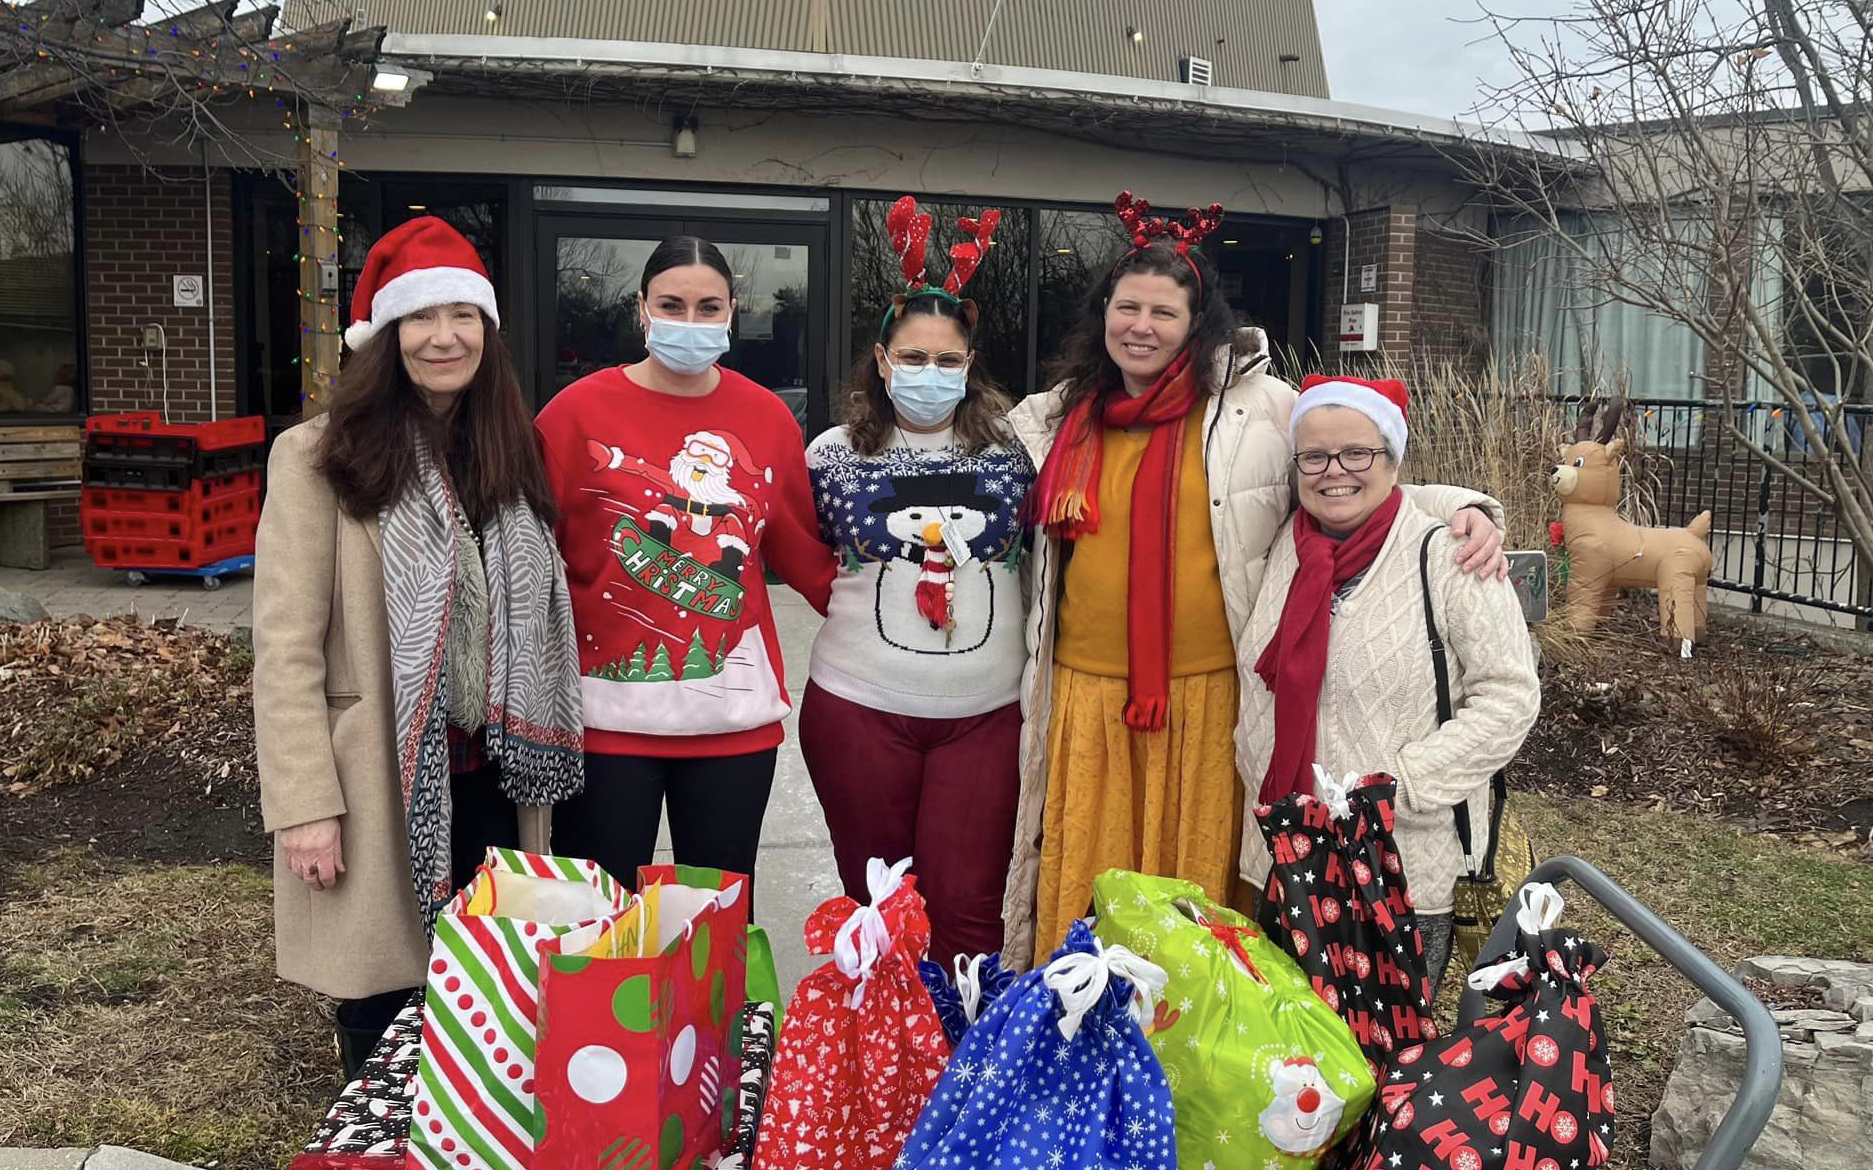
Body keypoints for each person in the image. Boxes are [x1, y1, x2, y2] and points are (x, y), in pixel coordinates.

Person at [998, 192, 1508, 968]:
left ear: (1196, 324)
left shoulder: (1257, 408)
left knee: (1192, 896)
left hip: (1206, 697)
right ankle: (1086, 1037)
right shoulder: (1055, 419)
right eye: (1126, 306)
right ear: (1102, 314)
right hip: (1085, 696)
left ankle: (1195, 1046)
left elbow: (1355, 464)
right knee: (1092, 888)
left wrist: (1468, 507)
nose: (1141, 325)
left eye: (1163, 312)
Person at [254, 216, 584, 1078]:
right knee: (384, 998)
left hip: (495, 772)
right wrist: (304, 807)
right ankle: (381, 1128)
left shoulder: (514, 451)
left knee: (492, 985)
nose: (445, 337)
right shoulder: (316, 458)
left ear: (488, 331)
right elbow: (285, 648)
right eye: (420, 318)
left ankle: (465, 1126)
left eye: (463, 316)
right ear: (385, 336)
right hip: (380, 778)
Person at [535, 235, 834, 893]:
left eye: (708, 307)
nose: (690, 322)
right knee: (599, 929)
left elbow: (799, 551)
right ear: (641, 309)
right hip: (607, 723)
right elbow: (525, 554)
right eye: (672, 305)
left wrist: (896, 589)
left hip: (731, 724)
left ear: (732, 311)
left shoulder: (767, 419)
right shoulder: (574, 415)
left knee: (716, 932)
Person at [1237, 375, 1541, 978]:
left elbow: (1510, 697)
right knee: (1287, 1058)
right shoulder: (1285, 547)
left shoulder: (1453, 557)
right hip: (1279, 851)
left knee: (1384, 1062)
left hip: (1395, 859)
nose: (1334, 471)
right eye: (1315, 456)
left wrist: (1401, 786)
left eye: (1357, 453)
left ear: (1393, 460)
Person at [800, 206, 1034, 966]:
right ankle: (883, 1069)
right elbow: (801, 557)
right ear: (881, 358)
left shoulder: (1020, 449)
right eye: (913, 357)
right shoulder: (830, 455)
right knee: (876, 908)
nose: (929, 374)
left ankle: (962, 1073)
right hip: (859, 708)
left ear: (970, 366)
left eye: (947, 360)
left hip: (986, 715)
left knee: (970, 911)